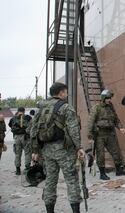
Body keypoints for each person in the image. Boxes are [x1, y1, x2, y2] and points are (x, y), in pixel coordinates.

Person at [30, 82, 85, 213]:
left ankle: (49, 210)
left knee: (50, 180)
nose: (66, 94)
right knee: (71, 180)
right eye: (66, 92)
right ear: (61, 92)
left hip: (47, 151)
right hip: (64, 150)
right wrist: (79, 147)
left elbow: (33, 130)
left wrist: (35, 150)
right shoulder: (66, 107)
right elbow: (74, 130)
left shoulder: (41, 108)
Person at [88, 89, 125, 180]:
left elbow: (115, 118)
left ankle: (119, 170)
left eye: (110, 98)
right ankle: (102, 174)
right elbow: (91, 122)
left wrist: (120, 127)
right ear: (103, 98)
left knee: (116, 152)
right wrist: (90, 136)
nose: (109, 100)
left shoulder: (110, 107)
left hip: (110, 133)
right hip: (100, 134)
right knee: (101, 154)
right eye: (108, 98)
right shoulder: (96, 108)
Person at [8, 107, 32, 174]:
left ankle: (18, 170)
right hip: (25, 137)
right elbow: (32, 125)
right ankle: (27, 168)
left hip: (16, 137)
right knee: (27, 153)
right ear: (24, 111)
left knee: (17, 154)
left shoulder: (13, 118)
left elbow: (10, 125)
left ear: (18, 111)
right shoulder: (28, 117)